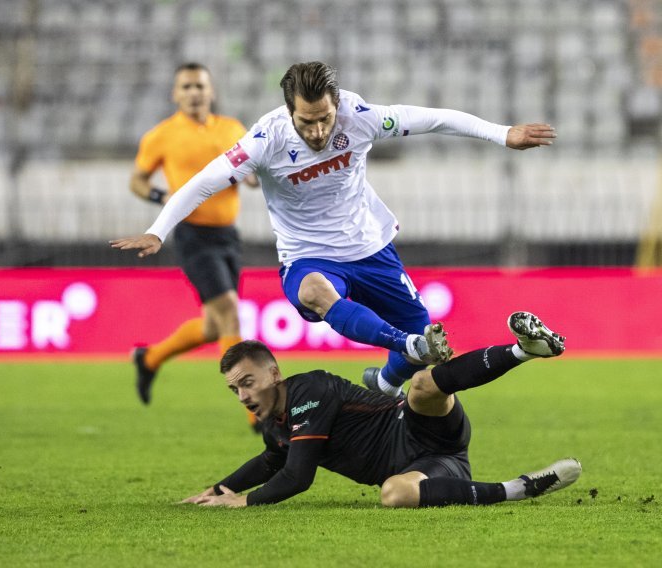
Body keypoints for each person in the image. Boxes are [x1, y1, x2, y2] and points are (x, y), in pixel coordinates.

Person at [111, 61, 557, 399]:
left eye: (325, 117)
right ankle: (409, 343)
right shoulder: (266, 140)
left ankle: (384, 380)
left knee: (418, 369)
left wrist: (502, 135)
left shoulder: (359, 115)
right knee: (316, 294)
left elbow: (431, 118)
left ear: (336, 103)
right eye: (307, 121)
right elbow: (205, 181)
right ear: (289, 112)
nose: (319, 129)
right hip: (308, 255)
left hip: (371, 248)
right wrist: (158, 229)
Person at [181, 311, 581, 508]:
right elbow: (272, 459)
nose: (242, 396)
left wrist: (244, 502)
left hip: (418, 427)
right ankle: (520, 488)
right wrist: (220, 489)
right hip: (431, 466)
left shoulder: (310, 390)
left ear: (273, 373)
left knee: (422, 384)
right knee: (393, 494)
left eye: (247, 383)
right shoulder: (275, 422)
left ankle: (522, 350)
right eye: (234, 389)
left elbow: (297, 476)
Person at [128, 62, 259, 424]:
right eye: (186, 87)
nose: (193, 93)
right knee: (230, 311)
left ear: (211, 91)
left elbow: (251, 170)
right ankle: (255, 412)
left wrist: (253, 178)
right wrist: (163, 197)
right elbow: (137, 180)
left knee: (215, 325)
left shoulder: (232, 129)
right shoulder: (162, 135)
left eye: (199, 86)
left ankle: (150, 359)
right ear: (175, 94)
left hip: (228, 235)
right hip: (191, 234)